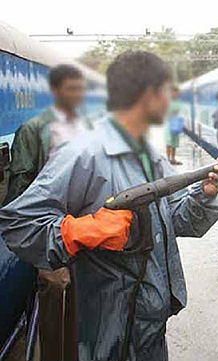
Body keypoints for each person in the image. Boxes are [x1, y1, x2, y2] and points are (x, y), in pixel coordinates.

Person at [0, 51, 218, 361]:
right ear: (147, 94)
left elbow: (176, 220)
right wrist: (79, 231)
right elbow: (18, 224)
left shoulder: (149, 155)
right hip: (107, 332)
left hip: (149, 325)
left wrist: (204, 193)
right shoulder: (85, 153)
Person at [3, 63, 91, 361]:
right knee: (55, 304)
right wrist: (35, 247)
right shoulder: (32, 130)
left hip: (89, 233)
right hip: (53, 236)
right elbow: (19, 195)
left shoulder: (89, 128)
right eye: (71, 89)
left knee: (86, 309)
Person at [165, 86, 182, 165]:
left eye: (177, 93)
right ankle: (168, 158)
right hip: (168, 123)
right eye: (174, 92)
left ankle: (173, 158)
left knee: (175, 142)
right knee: (169, 141)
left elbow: (178, 111)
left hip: (176, 122)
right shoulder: (167, 101)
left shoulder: (177, 101)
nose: (176, 94)